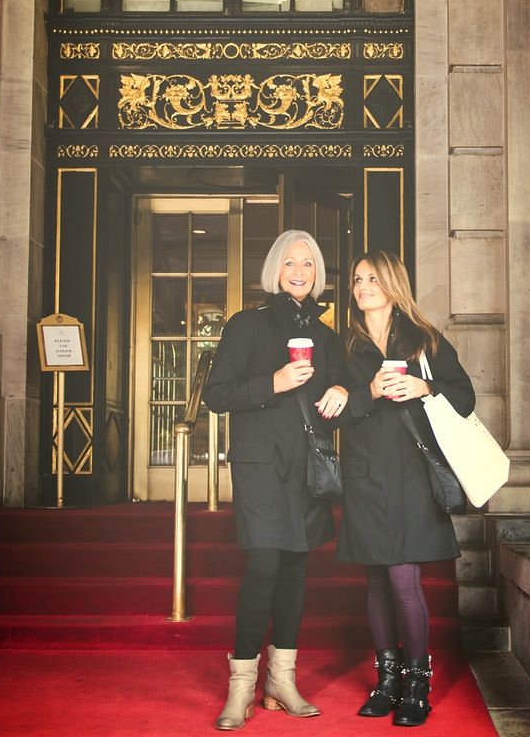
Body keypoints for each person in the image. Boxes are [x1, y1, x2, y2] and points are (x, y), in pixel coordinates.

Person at [317, 250, 475, 727]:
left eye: (372, 278)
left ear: (391, 284)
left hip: (411, 475)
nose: (362, 286)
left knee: (403, 579)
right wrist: (362, 391)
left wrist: (426, 389)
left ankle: (417, 682)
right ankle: (387, 679)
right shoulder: (341, 347)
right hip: (364, 474)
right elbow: (331, 416)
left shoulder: (422, 339)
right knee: (376, 582)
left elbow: (464, 397)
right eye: (357, 279)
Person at [202, 229, 346, 731]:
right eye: (291, 263)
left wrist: (343, 389)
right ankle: (241, 685)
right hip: (261, 467)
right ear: (274, 270)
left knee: (295, 572)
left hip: (307, 469)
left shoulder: (327, 336)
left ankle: (280, 680)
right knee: (264, 566)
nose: (300, 271)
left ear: (318, 273)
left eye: (309, 263)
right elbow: (216, 394)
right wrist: (273, 383)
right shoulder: (248, 324)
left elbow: (340, 383)